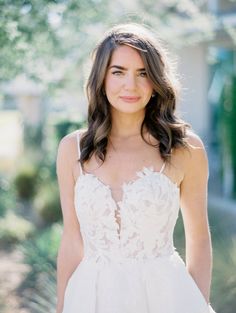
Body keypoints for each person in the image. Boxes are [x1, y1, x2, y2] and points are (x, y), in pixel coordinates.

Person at [56, 23, 216, 313]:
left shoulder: (184, 149)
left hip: (166, 298)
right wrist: (60, 306)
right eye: (118, 72)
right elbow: (71, 239)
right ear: (101, 78)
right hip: (90, 298)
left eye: (143, 73)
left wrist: (199, 302)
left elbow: (199, 239)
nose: (131, 85)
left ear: (156, 82)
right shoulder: (73, 149)